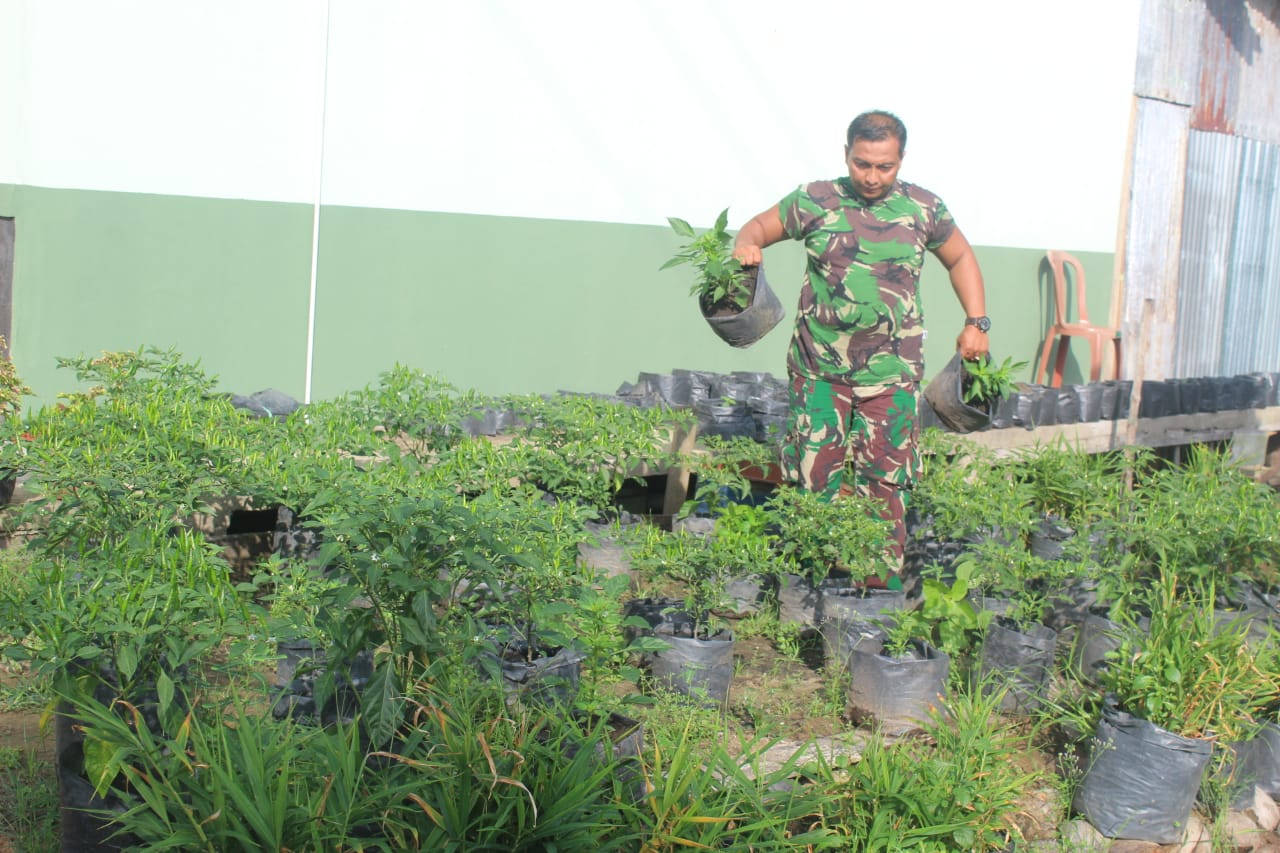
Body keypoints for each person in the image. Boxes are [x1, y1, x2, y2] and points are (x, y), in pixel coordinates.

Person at [732, 110, 989, 588]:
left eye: (884, 166)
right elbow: (755, 229)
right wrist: (747, 247)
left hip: (892, 373)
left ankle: (877, 594)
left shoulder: (923, 208)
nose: (872, 177)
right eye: (862, 164)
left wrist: (977, 322)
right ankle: (803, 591)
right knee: (812, 483)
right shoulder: (815, 200)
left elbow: (960, 258)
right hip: (820, 371)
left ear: (901, 160)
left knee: (886, 487)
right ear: (846, 154)